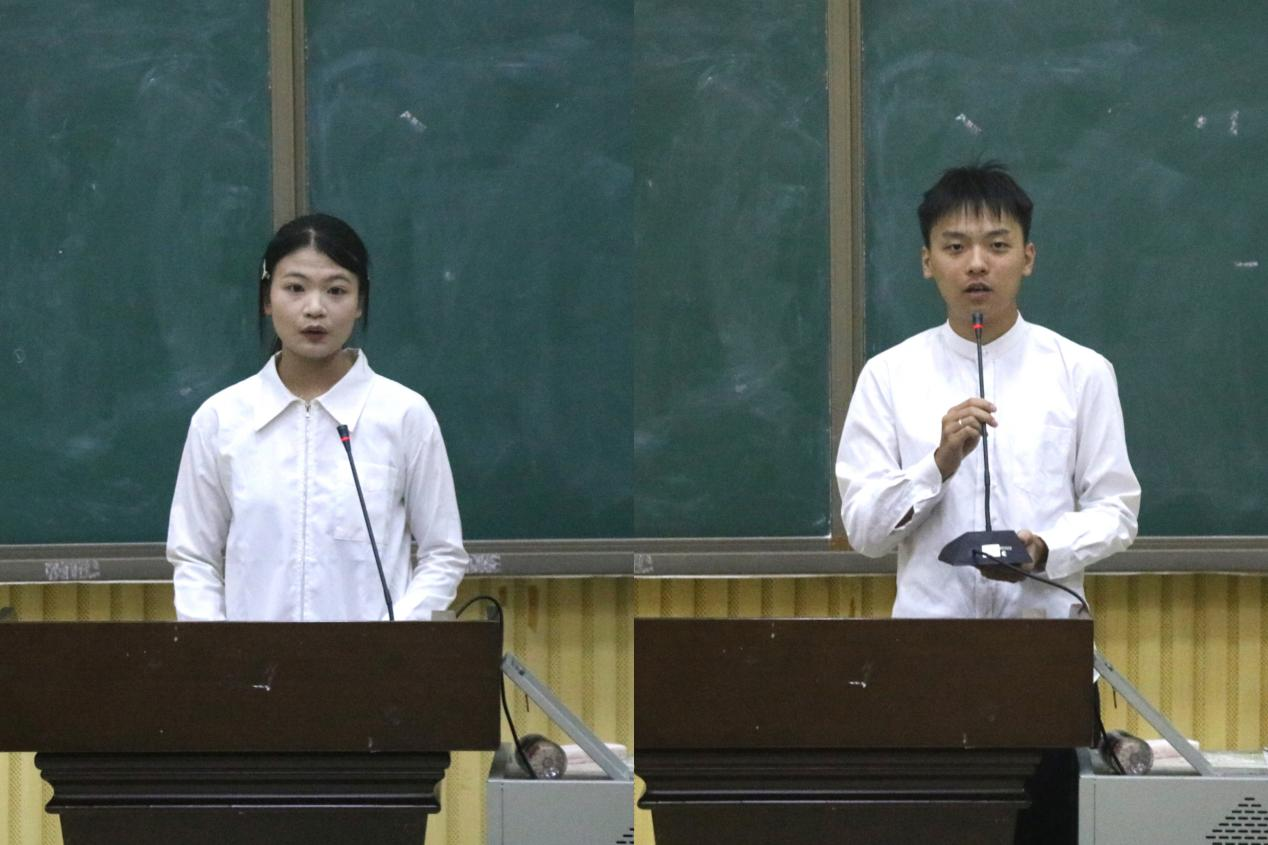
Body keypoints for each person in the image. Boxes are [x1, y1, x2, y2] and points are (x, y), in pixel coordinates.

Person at [836, 163, 1140, 619]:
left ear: (1028, 257)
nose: (977, 264)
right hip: (928, 645)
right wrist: (937, 466)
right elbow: (865, 533)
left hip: (1044, 639)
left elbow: (1116, 511)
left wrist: (1046, 548)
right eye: (955, 247)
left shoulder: (1081, 371)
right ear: (927, 261)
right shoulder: (888, 375)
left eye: (998, 246)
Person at [167, 213, 468, 621]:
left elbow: (442, 554)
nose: (315, 308)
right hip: (252, 660)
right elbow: (194, 557)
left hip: (374, 657)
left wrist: (395, 638)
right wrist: (221, 649)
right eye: (295, 288)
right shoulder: (221, 419)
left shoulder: (403, 414)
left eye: (336, 290)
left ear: (360, 302)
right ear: (267, 299)